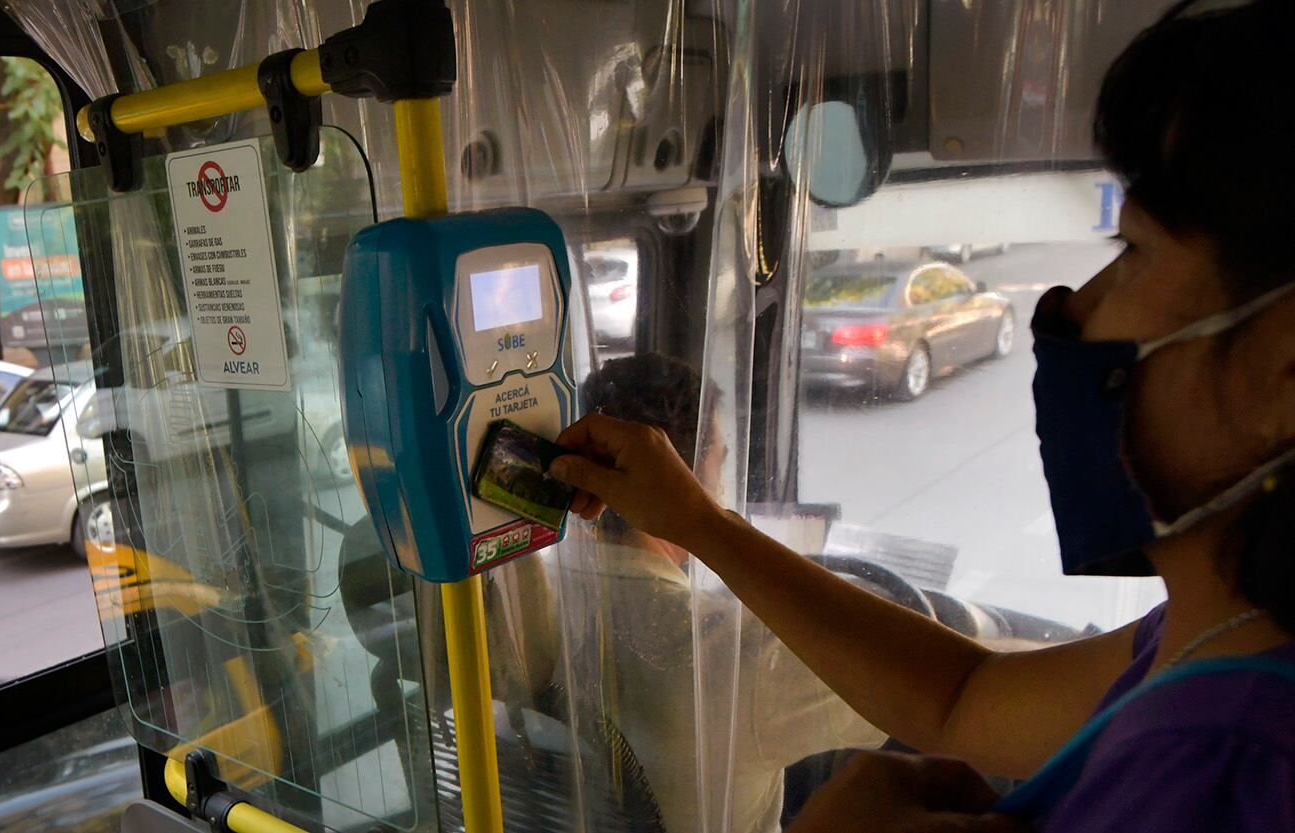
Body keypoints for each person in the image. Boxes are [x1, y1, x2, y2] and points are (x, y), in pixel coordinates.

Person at [548, 2, 1295, 830]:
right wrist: (697, 521)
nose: (1074, 305)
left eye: (1135, 252)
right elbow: (962, 694)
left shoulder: (1234, 767)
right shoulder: (1201, 647)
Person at [549, 353, 887, 833]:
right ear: (679, 481)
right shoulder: (737, 658)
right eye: (719, 463)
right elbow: (923, 694)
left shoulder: (534, 600)